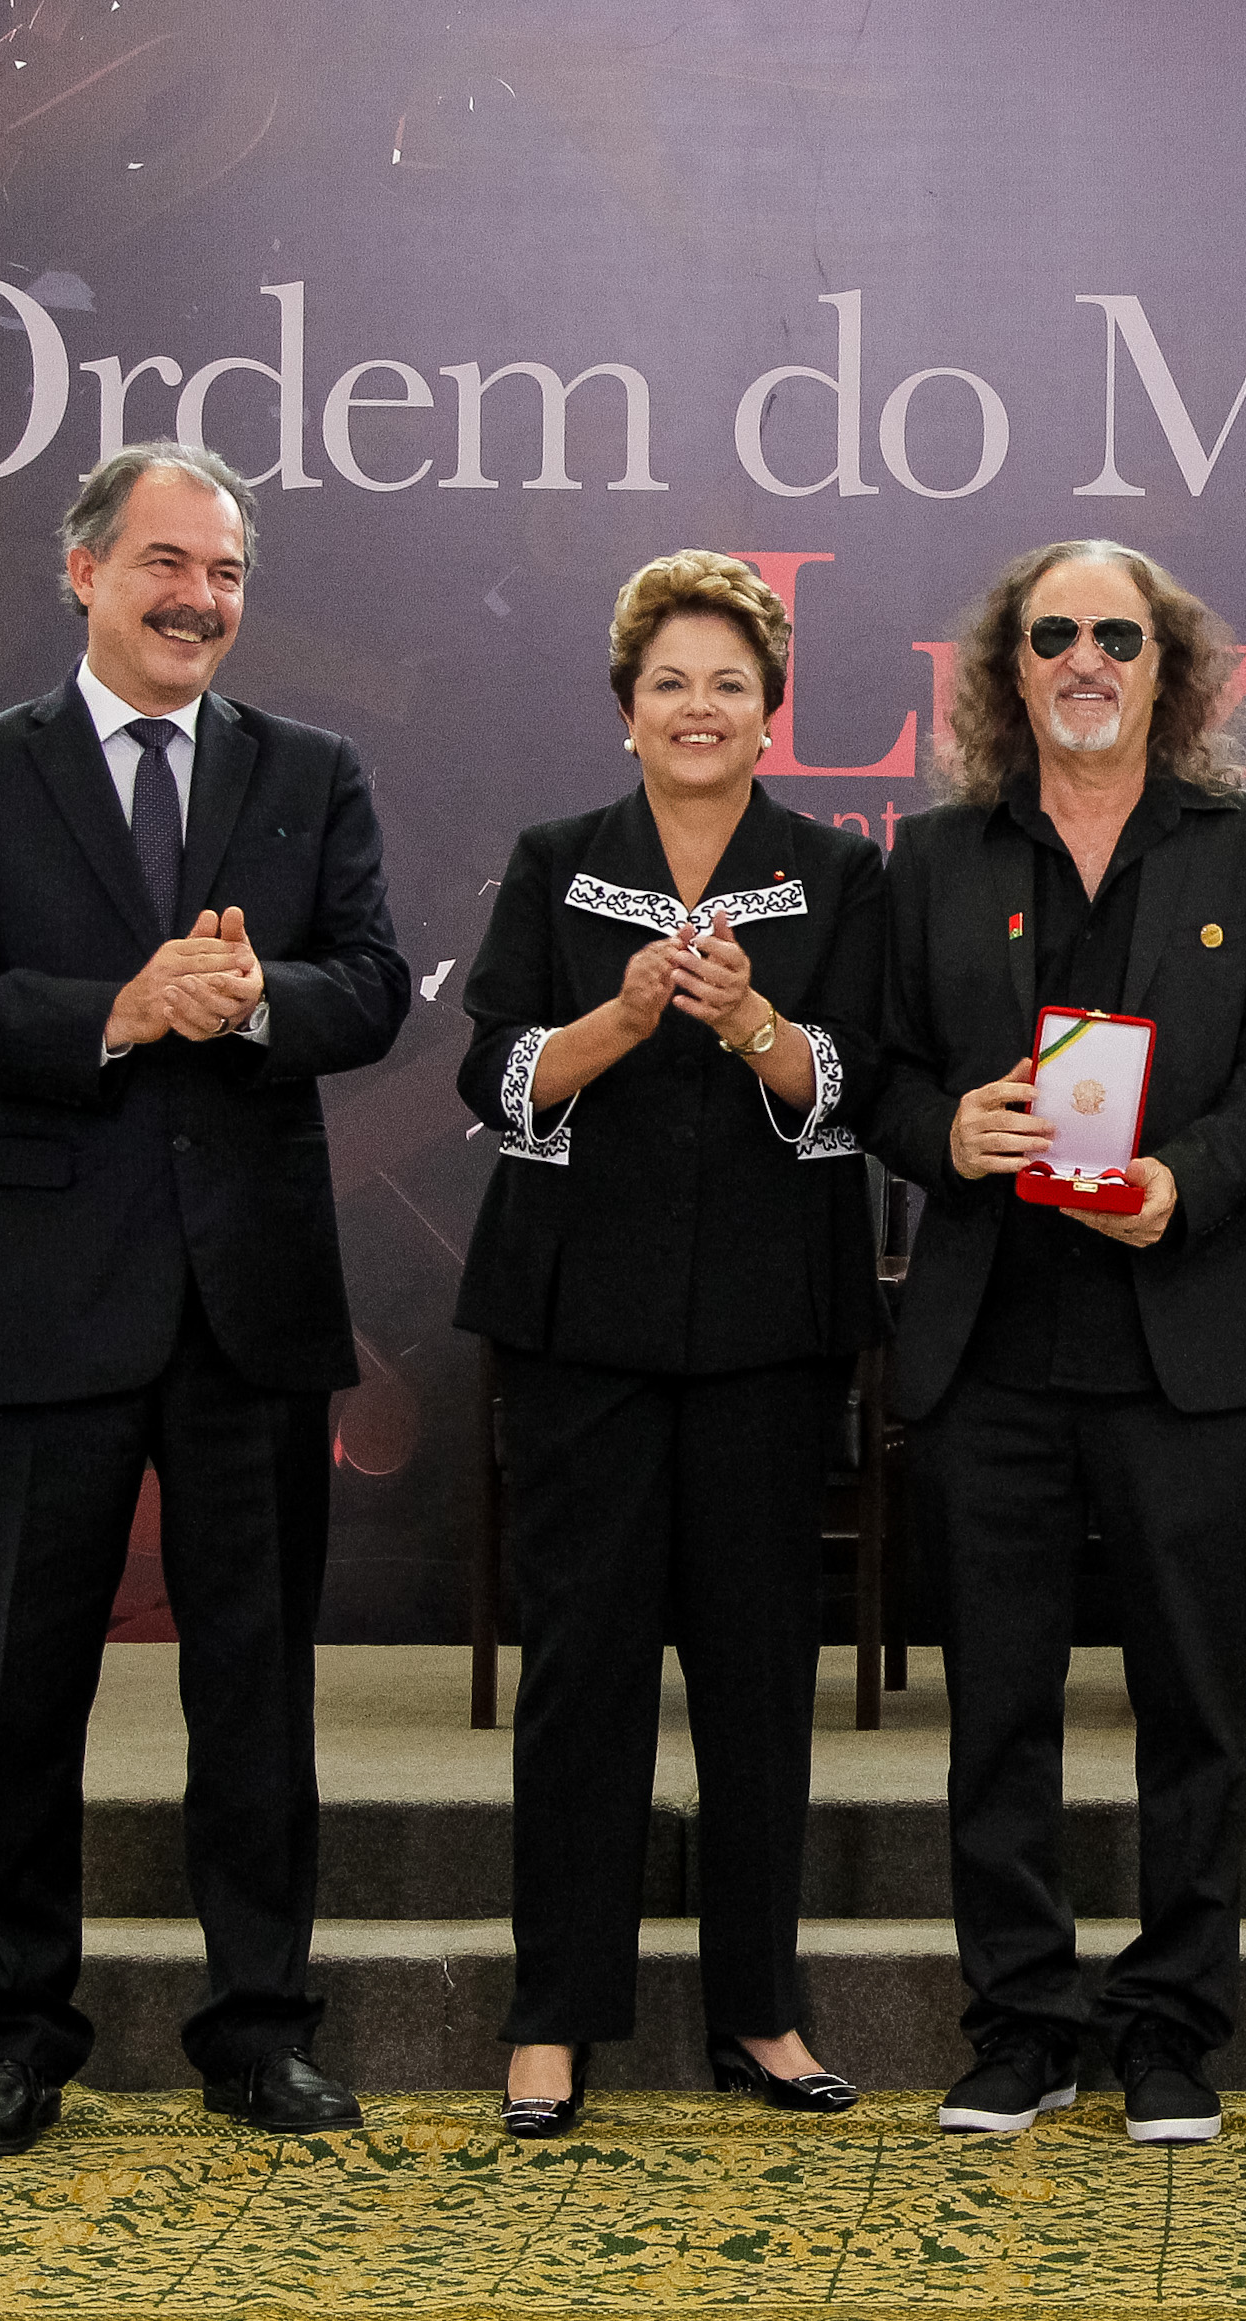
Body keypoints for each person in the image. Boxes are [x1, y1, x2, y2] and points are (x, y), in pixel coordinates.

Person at [0, 442, 410, 2158]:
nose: (201, 599)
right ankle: (14, 2033)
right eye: (169, 564)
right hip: (48, 1297)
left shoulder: (310, 770)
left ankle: (260, 2030)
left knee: (253, 1691)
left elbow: (377, 989)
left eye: (229, 574)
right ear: (83, 570)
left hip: (251, 1303)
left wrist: (249, 1003)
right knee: (19, 1687)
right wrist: (124, 1006)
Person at [868, 540, 1246, 2146]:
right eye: (1052, 633)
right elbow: (873, 1076)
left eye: (1116, 637)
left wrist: (1183, 1181)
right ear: (1009, 669)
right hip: (987, 1344)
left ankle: (1168, 2030)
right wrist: (949, 1130)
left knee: (1192, 1708)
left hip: (1179, 1340)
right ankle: (1016, 2024)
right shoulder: (929, 857)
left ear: (1167, 669)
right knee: (995, 1708)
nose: (1084, 658)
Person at [449, 550, 888, 2137]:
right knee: (581, 1675)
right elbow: (490, 1079)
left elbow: (869, 1086)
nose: (698, 708)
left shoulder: (839, 873)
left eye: (728, 683)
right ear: (626, 709)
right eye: (668, 683)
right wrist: (623, 1020)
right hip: (583, 1330)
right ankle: (553, 2016)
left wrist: (759, 1027)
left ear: (773, 712)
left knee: (764, 1672)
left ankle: (760, 2011)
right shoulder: (557, 861)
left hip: (773, 1330)